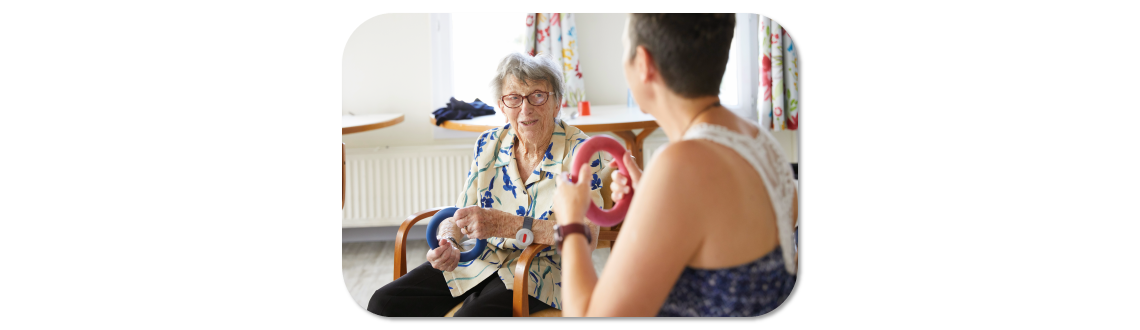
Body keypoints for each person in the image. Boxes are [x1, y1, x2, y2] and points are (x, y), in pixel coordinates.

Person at [552, 14, 799, 317]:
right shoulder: (759, 141)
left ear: (643, 63)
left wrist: (571, 223)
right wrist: (650, 196)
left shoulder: (681, 167)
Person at [368, 53, 606, 317]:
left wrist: (506, 225)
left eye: (537, 95)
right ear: (502, 106)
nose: (525, 109)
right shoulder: (488, 144)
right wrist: (449, 242)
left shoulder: (581, 151)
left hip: (541, 272)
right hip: (481, 260)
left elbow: (586, 237)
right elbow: (460, 213)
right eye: (514, 98)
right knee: (384, 303)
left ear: (557, 102)